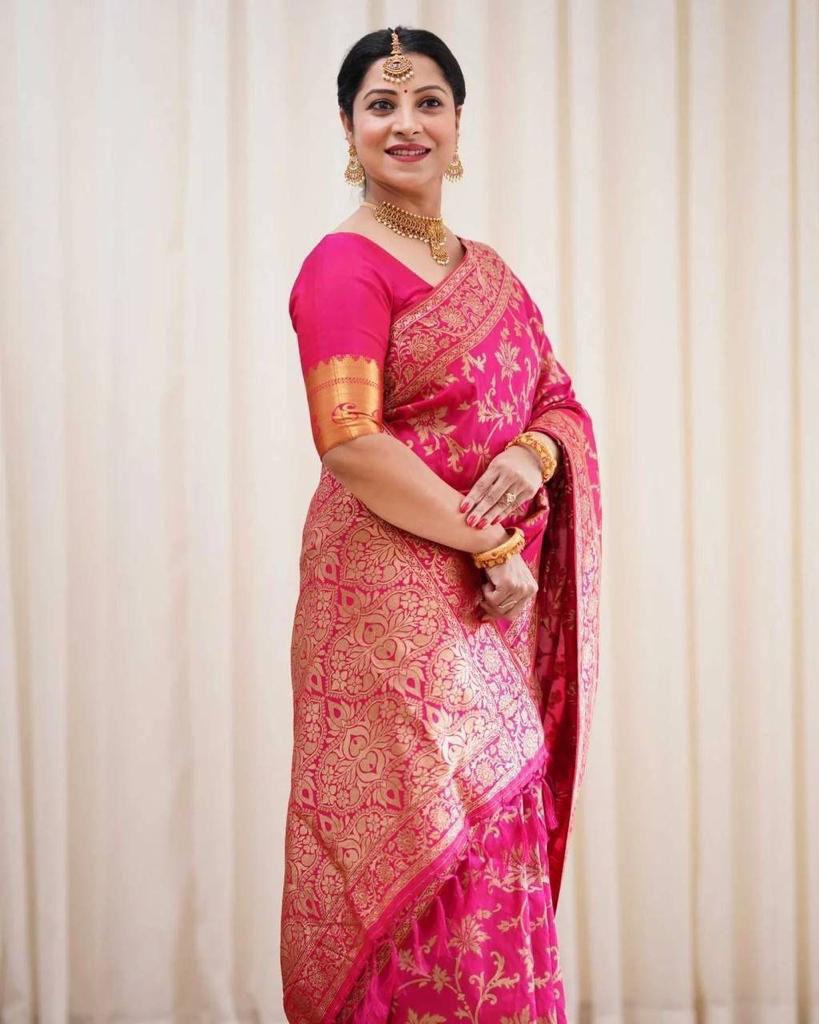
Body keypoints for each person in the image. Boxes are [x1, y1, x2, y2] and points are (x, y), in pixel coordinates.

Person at [280, 25, 602, 1024]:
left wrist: (533, 455)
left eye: (428, 102)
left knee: (496, 824)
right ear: (348, 127)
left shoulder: (487, 270)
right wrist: (492, 540)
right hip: (386, 597)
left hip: (488, 603)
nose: (406, 123)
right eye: (381, 104)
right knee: (420, 839)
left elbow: (558, 401)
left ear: (459, 122)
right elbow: (350, 442)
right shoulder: (342, 266)